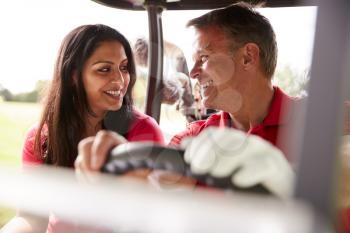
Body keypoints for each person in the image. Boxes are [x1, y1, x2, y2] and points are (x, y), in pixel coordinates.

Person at [74, 3, 349, 232]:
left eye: (203, 57)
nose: (193, 72)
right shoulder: (193, 137)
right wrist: (127, 174)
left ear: (247, 57)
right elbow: (161, 185)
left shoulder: (330, 120)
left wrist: (294, 181)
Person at [3, 24, 164, 233]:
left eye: (124, 68)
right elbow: (32, 217)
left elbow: (154, 218)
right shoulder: (40, 137)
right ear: (73, 75)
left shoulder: (144, 131)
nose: (120, 80)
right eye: (104, 69)